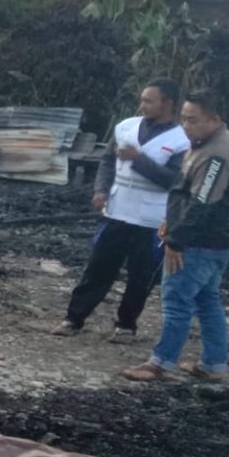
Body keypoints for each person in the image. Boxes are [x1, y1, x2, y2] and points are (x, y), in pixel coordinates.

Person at [53, 79, 188, 342]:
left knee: (141, 277)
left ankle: (126, 325)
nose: (143, 105)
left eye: (150, 101)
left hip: (151, 220)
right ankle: (73, 318)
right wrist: (100, 189)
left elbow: (174, 181)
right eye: (142, 100)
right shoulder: (126, 127)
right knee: (97, 269)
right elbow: (107, 161)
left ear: (167, 104)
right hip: (117, 212)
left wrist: (139, 161)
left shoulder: (181, 141)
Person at [123, 93, 229, 383]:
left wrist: (176, 241)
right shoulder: (207, 142)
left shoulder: (217, 155)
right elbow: (185, 191)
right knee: (207, 300)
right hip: (213, 240)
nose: (186, 125)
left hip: (199, 243)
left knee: (176, 300)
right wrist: (170, 220)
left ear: (214, 119)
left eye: (193, 120)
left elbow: (202, 204)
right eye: (184, 118)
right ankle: (213, 363)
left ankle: (161, 363)